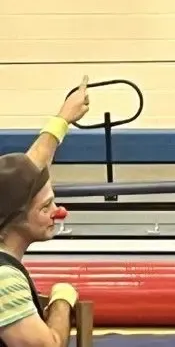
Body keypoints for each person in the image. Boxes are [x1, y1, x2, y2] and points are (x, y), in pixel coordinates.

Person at [0, 80, 90, 347]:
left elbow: (28, 173)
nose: (57, 212)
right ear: (14, 218)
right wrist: (61, 301)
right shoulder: (3, 278)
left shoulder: (7, 203)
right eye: (45, 206)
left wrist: (63, 117)